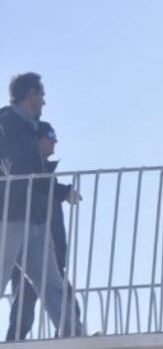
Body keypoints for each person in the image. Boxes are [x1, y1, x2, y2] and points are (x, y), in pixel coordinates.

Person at [0, 73, 85, 337]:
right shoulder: (7, 124)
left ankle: (74, 335)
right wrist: (61, 191)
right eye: (42, 95)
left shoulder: (30, 127)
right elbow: (23, 172)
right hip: (9, 217)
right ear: (30, 94)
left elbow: (33, 174)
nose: (44, 102)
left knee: (52, 284)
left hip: (33, 220)